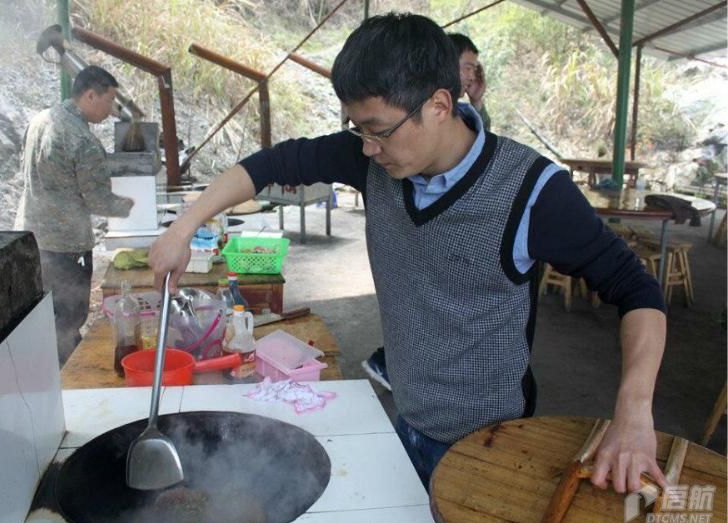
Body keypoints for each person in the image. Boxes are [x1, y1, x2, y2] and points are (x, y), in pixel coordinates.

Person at [149, 12, 668, 492]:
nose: (367, 147)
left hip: (489, 442)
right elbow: (272, 164)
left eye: (378, 131)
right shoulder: (373, 158)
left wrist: (633, 412)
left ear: (439, 105)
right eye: (358, 130)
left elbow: (636, 290)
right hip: (406, 413)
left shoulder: (532, 191)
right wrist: (184, 226)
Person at [361, 30, 493, 390]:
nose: (471, 74)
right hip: (414, 391)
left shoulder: (524, 179)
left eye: (475, 68)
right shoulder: (392, 148)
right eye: (466, 66)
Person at [14, 65, 134, 365]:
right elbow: (98, 200)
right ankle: (69, 375)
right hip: (66, 245)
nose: (111, 110)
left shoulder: (40, 120)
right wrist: (132, 205)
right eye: (109, 100)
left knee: (44, 314)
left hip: (30, 235)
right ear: (90, 95)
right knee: (69, 317)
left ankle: (45, 369)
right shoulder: (83, 140)